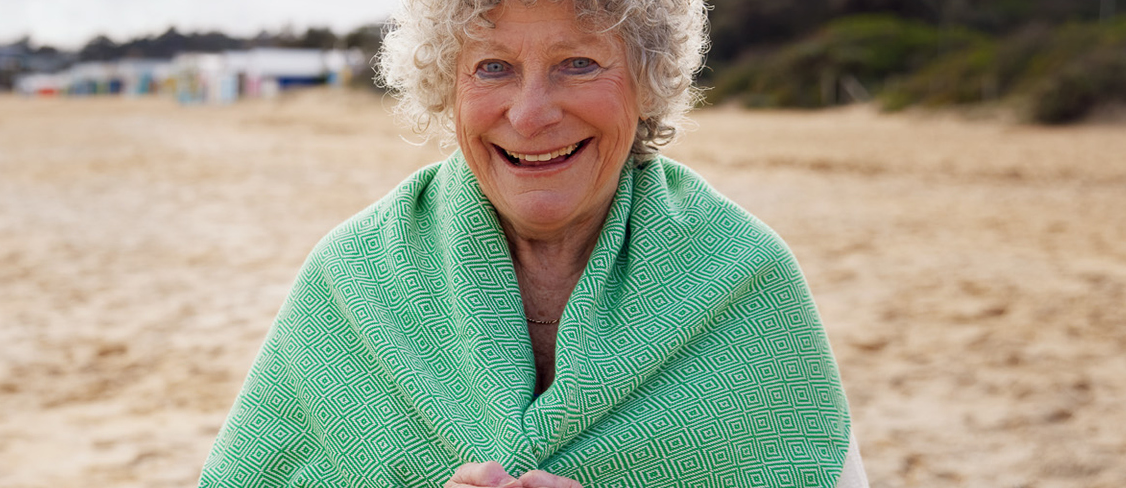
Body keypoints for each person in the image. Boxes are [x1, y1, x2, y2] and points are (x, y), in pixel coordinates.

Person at [200, 0, 867, 486]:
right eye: (492, 67)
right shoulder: (351, 282)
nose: (530, 113)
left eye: (577, 63)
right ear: (446, 88)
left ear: (647, 80)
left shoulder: (744, 279)